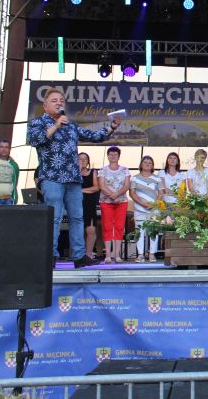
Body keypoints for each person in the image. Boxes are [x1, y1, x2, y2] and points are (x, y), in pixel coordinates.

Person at [27, 88, 121, 268]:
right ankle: (50, 256)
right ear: (45, 106)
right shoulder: (38, 122)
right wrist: (56, 125)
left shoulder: (71, 125)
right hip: (52, 178)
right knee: (54, 218)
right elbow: (35, 140)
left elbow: (94, 136)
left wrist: (112, 127)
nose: (59, 103)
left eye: (61, 100)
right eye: (54, 100)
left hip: (73, 179)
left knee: (77, 218)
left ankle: (79, 256)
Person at [98, 146, 130, 264]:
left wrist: (117, 195)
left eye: (115, 154)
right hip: (106, 202)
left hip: (121, 202)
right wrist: (112, 196)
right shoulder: (103, 170)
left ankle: (117, 255)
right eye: (111, 154)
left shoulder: (125, 170)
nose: (113, 156)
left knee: (119, 227)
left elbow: (126, 186)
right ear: (107, 156)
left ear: (119, 156)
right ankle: (107, 255)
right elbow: (101, 186)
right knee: (107, 227)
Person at [130, 155, 162, 262]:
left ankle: (152, 254)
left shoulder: (157, 178)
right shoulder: (135, 178)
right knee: (139, 231)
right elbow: (132, 193)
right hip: (139, 209)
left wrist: (153, 204)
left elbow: (160, 193)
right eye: (145, 162)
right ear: (141, 164)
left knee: (153, 231)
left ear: (152, 166)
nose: (147, 164)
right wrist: (142, 204)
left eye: (149, 163)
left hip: (154, 209)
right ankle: (140, 254)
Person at [78, 152, 100, 260]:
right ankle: (79, 254)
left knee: (90, 230)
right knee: (78, 230)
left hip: (89, 204)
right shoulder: (73, 173)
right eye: (80, 159)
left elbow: (96, 188)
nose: (82, 161)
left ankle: (88, 254)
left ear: (88, 161)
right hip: (77, 204)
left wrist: (80, 190)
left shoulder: (93, 172)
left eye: (85, 159)